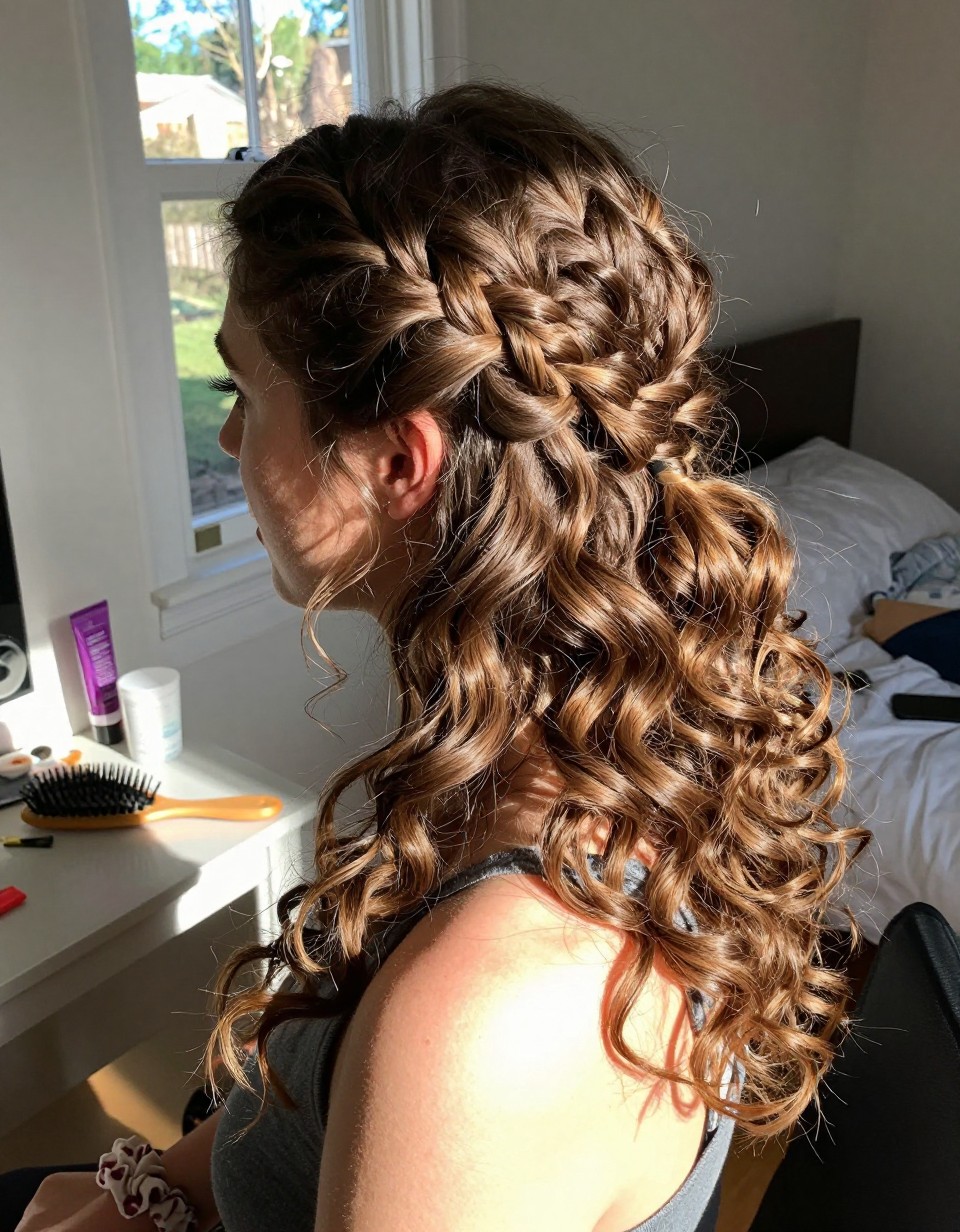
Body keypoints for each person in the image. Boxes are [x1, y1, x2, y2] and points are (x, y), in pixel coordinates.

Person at [7, 80, 870, 1232]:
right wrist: (145, 1191)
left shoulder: (483, 1015)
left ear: (399, 461)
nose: (226, 437)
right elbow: (294, 1120)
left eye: (239, 388)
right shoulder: (608, 737)